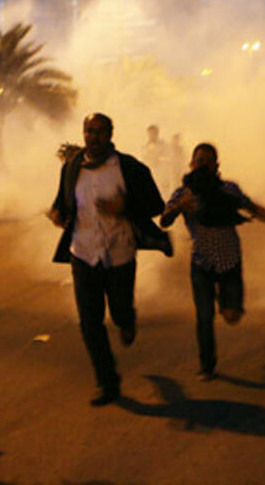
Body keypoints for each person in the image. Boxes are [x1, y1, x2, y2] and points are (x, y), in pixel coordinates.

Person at [48, 113, 168, 406]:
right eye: (89, 131)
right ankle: (107, 381)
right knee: (90, 322)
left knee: (119, 311)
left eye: (100, 132)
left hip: (119, 252)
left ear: (111, 134)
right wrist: (57, 214)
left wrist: (124, 206)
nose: (94, 137)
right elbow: (62, 203)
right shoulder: (73, 167)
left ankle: (127, 320)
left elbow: (156, 204)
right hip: (83, 253)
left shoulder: (129, 167)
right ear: (83, 133)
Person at [160, 143, 265, 381]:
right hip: (201, 263)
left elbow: (251, 207)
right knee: (204, 316)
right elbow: (164, 221)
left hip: (230, 260)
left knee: (231, 316)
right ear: (191, 164)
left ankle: (225, 301)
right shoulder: (183, 193)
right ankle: (207, 366)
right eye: (198, 160)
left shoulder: (229, 190)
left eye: (207, 161)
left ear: (216, 166)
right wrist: (179, 207)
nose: (202, 165)